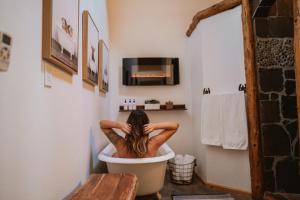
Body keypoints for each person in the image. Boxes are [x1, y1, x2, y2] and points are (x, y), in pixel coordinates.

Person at [99, 110, 179, 158]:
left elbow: (102, 125)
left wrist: (119, 125)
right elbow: (175, 126)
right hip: (149, 181)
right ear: (147, 125)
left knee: (115, 155)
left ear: (128, 124)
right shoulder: (154, 143)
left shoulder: (120, 144)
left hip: (126, 177)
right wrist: (155, 126)